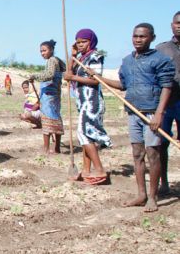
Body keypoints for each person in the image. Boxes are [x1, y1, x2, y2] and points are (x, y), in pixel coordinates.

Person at [91, 23, 174, 212]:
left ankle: (153, 197)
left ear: (152, 38)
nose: (138, 39)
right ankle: (141, 194)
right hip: (133, 112)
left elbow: (167, 87)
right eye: (135, 36)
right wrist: (99, 78)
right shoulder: (127, 61)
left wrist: (159, 114)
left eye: (143, 36)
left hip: (151, 112)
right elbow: (122, 85)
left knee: (153, 154)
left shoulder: (160, 60)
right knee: (137, 154)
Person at [64, 29, 111, 185]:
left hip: (92, 101)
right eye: (78, 42)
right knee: (86, 136)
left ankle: (99, 169)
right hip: (82, 100)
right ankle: (86, 170)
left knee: (84, 134)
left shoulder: (96, 57)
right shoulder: (81, 58)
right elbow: (68, 74)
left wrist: (74, 77)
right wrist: (73, 56)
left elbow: (96, 80)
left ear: (91, 42)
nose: (81, 45)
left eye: (84, 42)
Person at [156, 10, 180, 196]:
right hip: (166, 103)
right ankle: (163, 181)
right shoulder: (162, 49)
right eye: (177, 23)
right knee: (162, 142)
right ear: (172, 25)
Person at [29, 40, 65, 154]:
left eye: (44, 50)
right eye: (41, 51)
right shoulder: (56, 61)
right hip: (54, 95)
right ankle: (57, 148)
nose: (42, 53)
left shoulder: (52, 61)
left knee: (48, 120)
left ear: (51, 50)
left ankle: (46, 148)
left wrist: (34, 76)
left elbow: (49, 75)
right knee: (56, 119)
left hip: (50, 96)